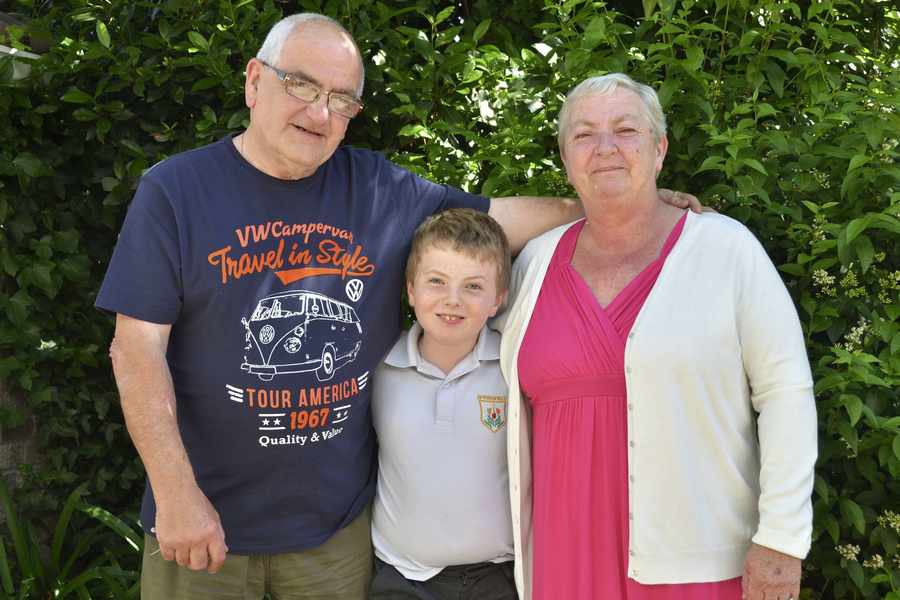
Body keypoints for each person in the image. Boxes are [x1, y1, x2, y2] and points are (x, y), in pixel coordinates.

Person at [97, 11, 699, 598]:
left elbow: (498, 217)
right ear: (255, 81)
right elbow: (136, 347)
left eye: (342, 99)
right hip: (202, 527)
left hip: (333, 538)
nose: (319, 111)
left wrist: (628, 205)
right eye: (301, 84)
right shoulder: (176, 191)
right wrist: (175, 494)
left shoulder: (377, 188)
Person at [496, 73, 817, 600]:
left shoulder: (725, 249)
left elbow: (785, 393)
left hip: (697, 556)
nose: (605, 148)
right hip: (562, 555)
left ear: (659, 148)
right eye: (584, 135)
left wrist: (781, 538)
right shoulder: (534, 263)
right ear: (564, 155)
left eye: (626, 130)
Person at [369, 209, 516, 600]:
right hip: (402, 578)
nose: (453, 301)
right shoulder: (380, 368)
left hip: (497, 578)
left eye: (473, 287)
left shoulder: (514, 369)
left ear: (498, 299)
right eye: (436, 282)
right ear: (411, 290)